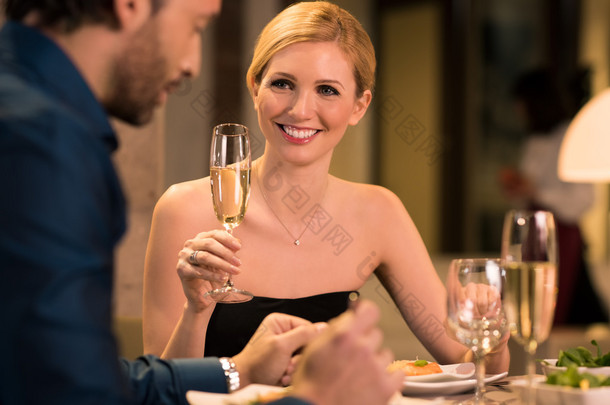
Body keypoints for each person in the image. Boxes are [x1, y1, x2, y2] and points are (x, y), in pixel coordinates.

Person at [0, 1, 403, 404]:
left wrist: (238, 369)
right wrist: (311, 400)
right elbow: (70, 394)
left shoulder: (35, 122)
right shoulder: (40, 144)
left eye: (327, 90)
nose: (192, 65)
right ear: (130, 6)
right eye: (195, 27)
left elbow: (99, 379)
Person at [143, 0, 510, 374]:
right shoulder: (184, 209)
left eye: (328, 90)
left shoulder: (378, 212)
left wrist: (491, 331)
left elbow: (476, 368)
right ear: (256, 87)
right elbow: (156, 391)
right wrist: (198, 312)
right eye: (283, 84)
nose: (301, 110)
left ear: (359, 106)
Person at [499, 67, 608, 325]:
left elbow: (584, 199)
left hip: (560, 235)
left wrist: (536, 191)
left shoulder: (569, 137)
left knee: (551, 309)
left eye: (520, 102)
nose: (517, 109)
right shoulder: (534, 139)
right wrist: (519, 189)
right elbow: (530, 192)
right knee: (523, 308)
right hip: (530, 233)